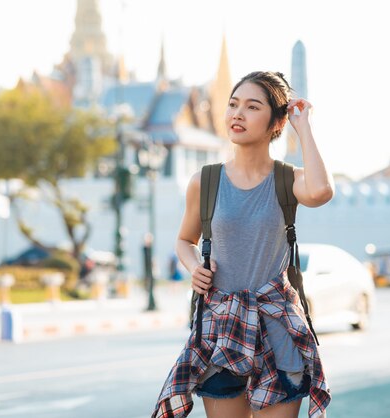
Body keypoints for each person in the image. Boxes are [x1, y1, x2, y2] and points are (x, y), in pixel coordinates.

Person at [151, 71, 334, 418]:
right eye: (233, 104)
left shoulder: (288, 179)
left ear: (275, 122)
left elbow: (322, 191)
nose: (237, 114)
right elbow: (183, 240)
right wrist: (195, 269)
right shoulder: (204, 181)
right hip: (223, 328)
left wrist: (303, 126)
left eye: (252, 107)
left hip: (278, 328)